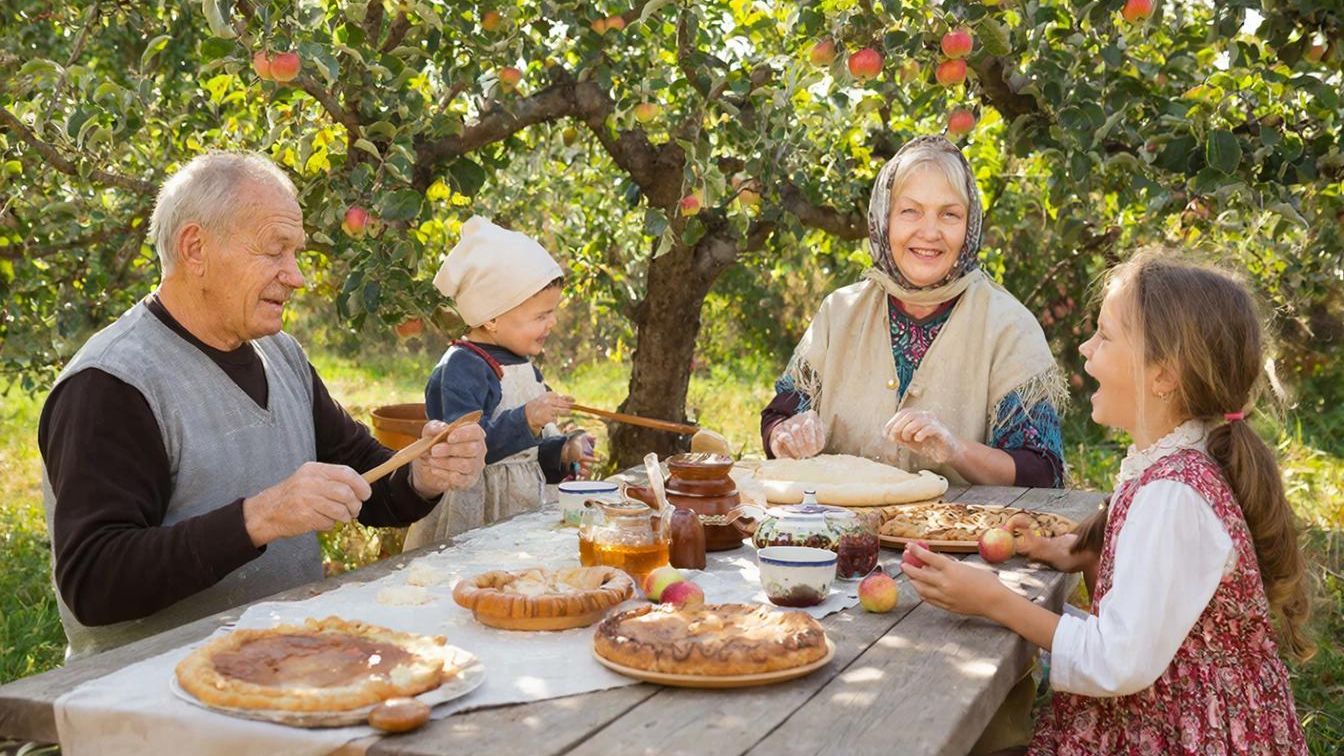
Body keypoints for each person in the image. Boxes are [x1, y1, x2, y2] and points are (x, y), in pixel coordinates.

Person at [38, 152, 486, 659]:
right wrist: (258, 518)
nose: (295, 277)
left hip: (289, 670)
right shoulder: (112, 383)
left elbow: (368, 479)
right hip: (160, 706)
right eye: (275, 251)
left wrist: (423, 474)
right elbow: (93, 582)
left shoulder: (281, 355)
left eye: (295, 253)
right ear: (195, 248)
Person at [904, 250, 1312, 753]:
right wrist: (1079, 550)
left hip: (1185, 732)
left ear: (1162, 376)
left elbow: (1116, 660)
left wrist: (991, 599)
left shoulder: (1174, 494)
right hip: (1181, 708)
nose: (1085, 345)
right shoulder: (1183, 458)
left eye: (1105, 335)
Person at [762, 136, 1065, 487]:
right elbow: (778, 419)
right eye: (910, 211)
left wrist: (956, 449)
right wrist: (786, 434)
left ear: (970, 226)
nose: (930, 232)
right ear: (883, 219)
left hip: (953, 540)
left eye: (950, 214)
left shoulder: (1008, 326)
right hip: (837, 537)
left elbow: (1042, 471)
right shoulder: (840, 313)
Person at [403, 217, 595, 549]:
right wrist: (528, 418)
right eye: (540, 316)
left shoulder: (522, 364)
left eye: (552, 312)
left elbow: (527, 455)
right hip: (479, 512)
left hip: (522, 506)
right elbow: (465, 449)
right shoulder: (463, 367)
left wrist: (563, 449)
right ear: (491, 318)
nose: (552, 322)